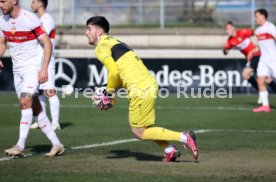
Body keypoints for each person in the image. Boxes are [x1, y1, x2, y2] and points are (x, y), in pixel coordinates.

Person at [86, 16, 198, 162]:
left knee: (138, 131)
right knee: (147, 127)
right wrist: (107, 89)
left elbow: (113, 72)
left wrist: (108, 92)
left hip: (139, 88)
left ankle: (184, 137)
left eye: (89, 28)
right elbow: (120, 74)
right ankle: (169, 150)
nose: (86, 32)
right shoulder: (116, 42)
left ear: (99, 31)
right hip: (147, 84)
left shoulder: (101, 47)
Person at [0, 0, 64, 157]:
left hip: (32, 68)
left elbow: (47, 43)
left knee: (24, 101)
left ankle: (19, 146)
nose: (0, 5)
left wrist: (43, 69)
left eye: (3, 1)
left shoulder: (30, 18)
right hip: (17, 71)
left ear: (14, 1)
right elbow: (2, 42)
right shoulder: (2, 20)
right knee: (35, 108)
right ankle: (57, 144)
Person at [30, 0, 61, 130]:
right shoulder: (37, 19)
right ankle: (41, 119)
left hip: (47, 61)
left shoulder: (48, 19)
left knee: (50, 91)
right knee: (37, 93)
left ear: (41, 3)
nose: (31, 4)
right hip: (36, 61)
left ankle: (55, 123)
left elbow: (40, 36)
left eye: (33, 2)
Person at [251, 9, 276, 112]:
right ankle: (265, 106)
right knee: (260, 80)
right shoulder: (258, 30)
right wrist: (251, 51)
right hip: (263, 60)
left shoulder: (270, 27)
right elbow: (261, 46)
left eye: (256, 16)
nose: (255, 18)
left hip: (273, 59)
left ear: (262, 16)